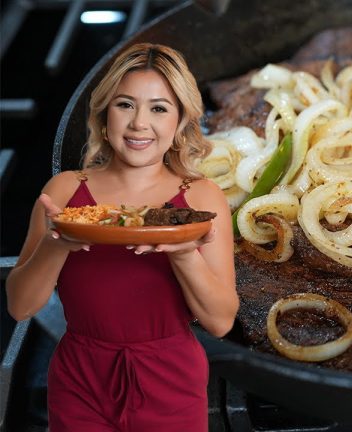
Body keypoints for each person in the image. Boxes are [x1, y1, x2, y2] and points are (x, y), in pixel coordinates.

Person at [6, 43, 238, 431]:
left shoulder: (200, 197)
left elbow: (220, 322)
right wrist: (55, 242)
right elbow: (19, 307)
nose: (139, 124)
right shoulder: (64, 193)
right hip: (79, 376)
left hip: (172, 377)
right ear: (104, 113)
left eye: (159, 108)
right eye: (125, 105)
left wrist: (183, 255)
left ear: (180, 120)